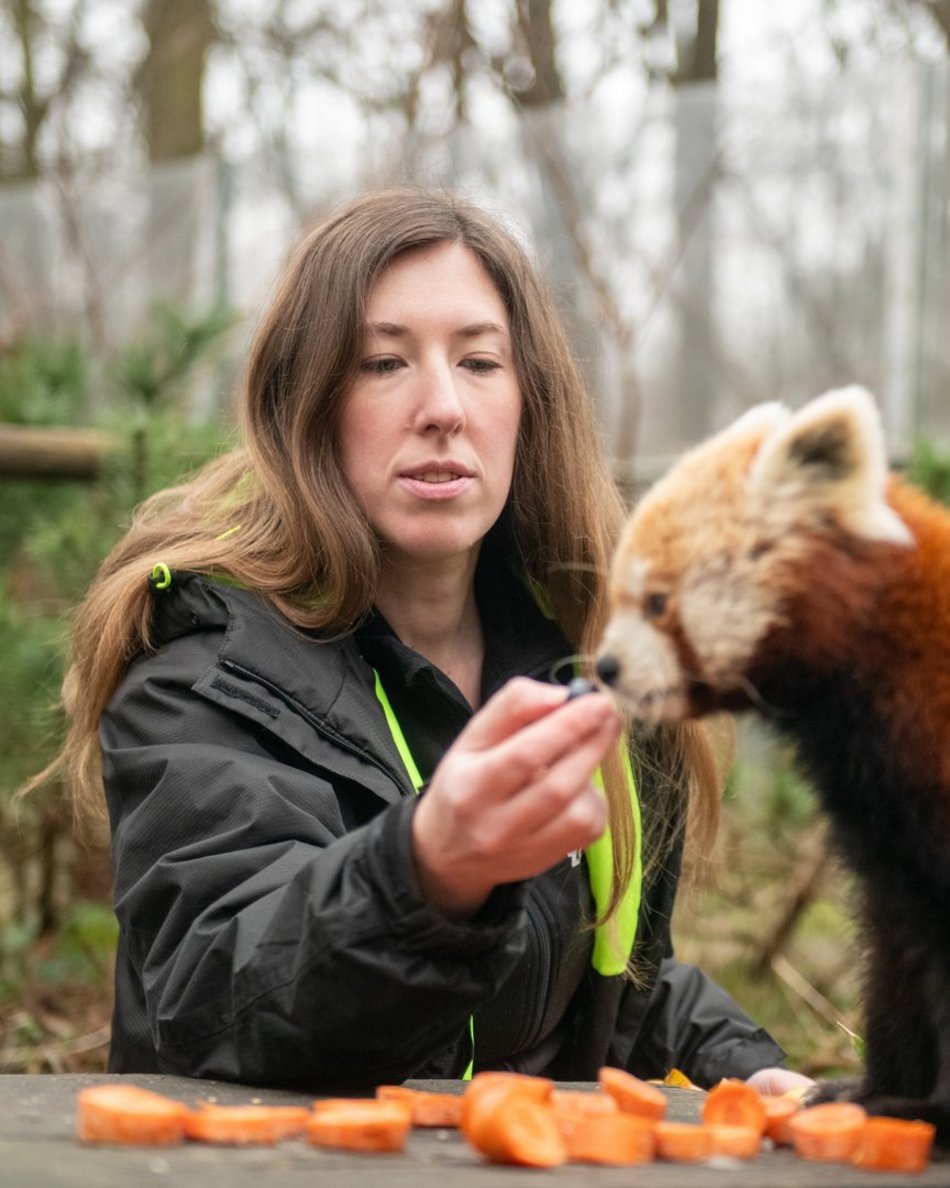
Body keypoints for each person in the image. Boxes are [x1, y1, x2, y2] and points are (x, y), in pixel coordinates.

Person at [52, 187, 809, 1095]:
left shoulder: (589, 664)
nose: (443, 406)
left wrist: (748, 1073)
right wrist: (427, 872)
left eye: (481, 362)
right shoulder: (204, 669)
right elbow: (221, 1001)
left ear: (531, 402)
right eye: (383, 363)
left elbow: (603, 996)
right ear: (308, 404)